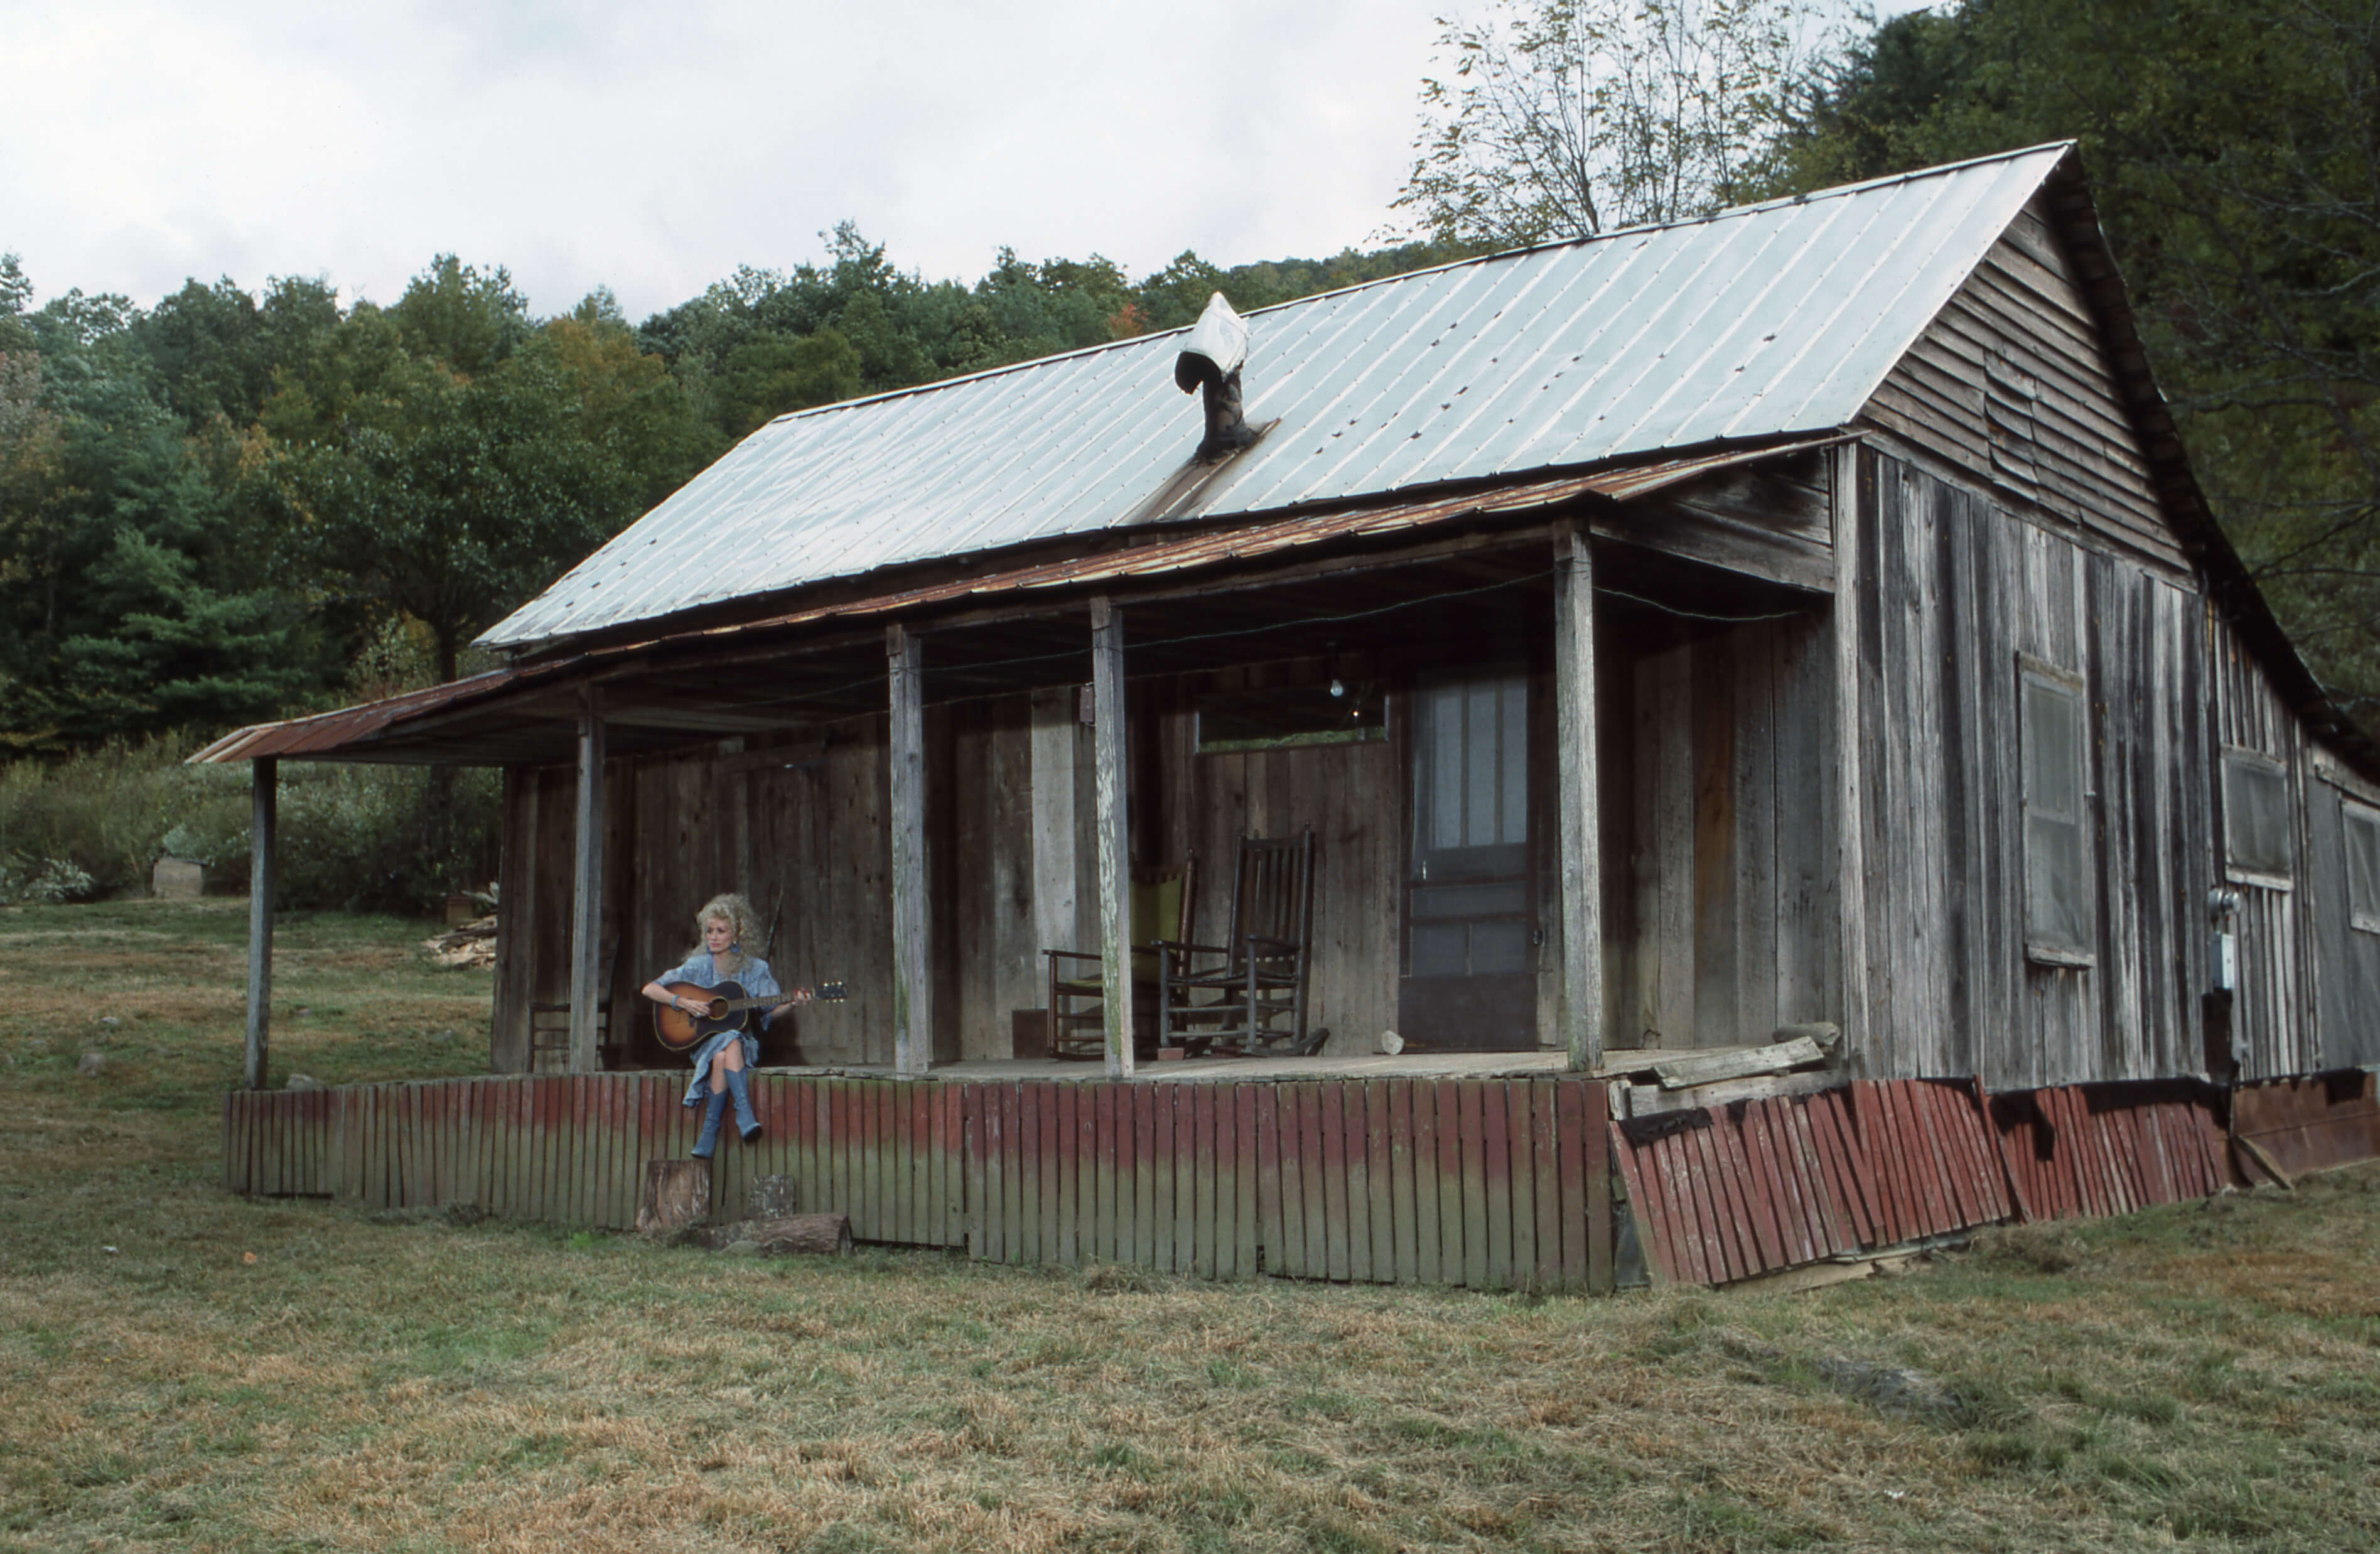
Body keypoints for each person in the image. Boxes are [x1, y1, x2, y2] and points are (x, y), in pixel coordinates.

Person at [640, 892, 811, 1160]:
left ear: (737, 933)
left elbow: (769, 1011)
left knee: (729, 1044)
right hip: (704, 1044)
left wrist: (793, 1003)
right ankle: (744, 1115)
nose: (713, 937)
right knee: (725, 1042)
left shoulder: (756, 969)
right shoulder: (696, 967)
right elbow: (650, 989)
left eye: (721, 930)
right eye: (709, 931)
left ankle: (709, 1133)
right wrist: (682, 1002)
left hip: (744, 1047)